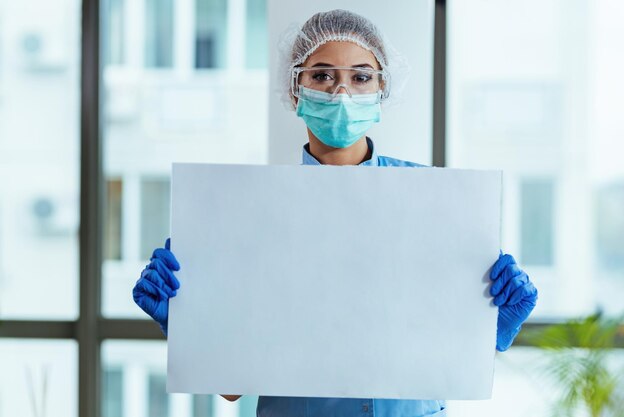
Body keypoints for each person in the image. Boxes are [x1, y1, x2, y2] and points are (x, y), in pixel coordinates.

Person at [133, 9, 538, 417]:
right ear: (295, 88)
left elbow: (445, 352)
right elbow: (233, 388)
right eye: (323, 76)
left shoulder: (439, 203)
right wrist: (188, 323)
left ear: (382, 89)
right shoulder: (248, 213)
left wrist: (491, 324)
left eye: (361, 77)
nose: (341, 93)